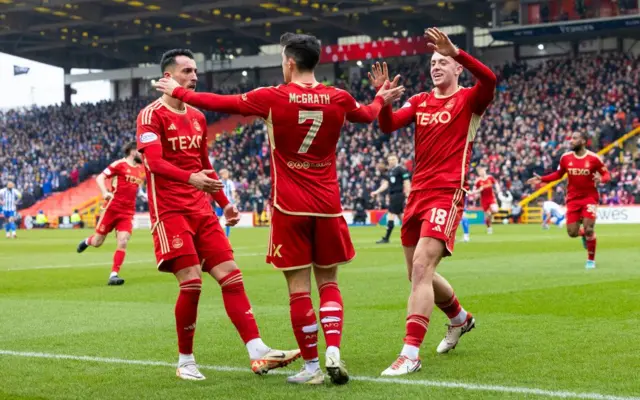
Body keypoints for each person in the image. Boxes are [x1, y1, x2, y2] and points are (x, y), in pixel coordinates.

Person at [153, 34, 405, 385]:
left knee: (298, 289)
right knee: (329, 282)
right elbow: (367, 115)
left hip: (290, 206)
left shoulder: (274, 97)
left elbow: (220, 102)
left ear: (289, 62)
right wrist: (380, 97)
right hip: (329, 204)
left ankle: (313, 367)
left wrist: (178, 92)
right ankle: (334, 347)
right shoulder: (338, 97)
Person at [139, 48, 300, 382]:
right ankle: (185, 360)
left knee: (232, 275)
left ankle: (257, 351)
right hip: (170, 211)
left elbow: (205, 165)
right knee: (192, 283)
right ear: (168, 77)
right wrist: (191, 179)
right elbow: (153, 163)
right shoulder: (150, 115)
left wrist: (224, 202)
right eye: (186, 72)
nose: (194, 77)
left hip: (202, 208)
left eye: (195, 71)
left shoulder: (197, 117)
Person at [373, 27, 497, 375]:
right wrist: (383, 102)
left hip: (447, 192)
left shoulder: (470, 100)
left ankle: (410, 353)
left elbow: (489, 79)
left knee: (421, 269)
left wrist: (457, 51)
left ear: (457, 67)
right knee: (416, 274)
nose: (436, 66)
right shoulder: (419, 101)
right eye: (433, 62)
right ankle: (459, 318)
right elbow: (388, 126)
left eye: (443, 61)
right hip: (417, 195)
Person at [527, 131, 609, 269]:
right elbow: (559, 174)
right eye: (571, 138)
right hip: (572, 199)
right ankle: (582, 235)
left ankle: (590, 260)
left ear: (583, 141)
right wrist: (542, 179)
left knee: (589, 228)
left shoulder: (594, 158)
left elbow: (606, 174)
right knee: (572, 232)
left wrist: (602, 179)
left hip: (589, 198)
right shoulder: (565, 158)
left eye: (575, 138)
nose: (571, 141)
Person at [77, 142, 145, 286]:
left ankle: (114, 274)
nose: (142, 154)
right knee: (97, 242)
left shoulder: (140, 170)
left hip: (127, 212)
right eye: (140, 151)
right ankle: (87, 241)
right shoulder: (119, 165)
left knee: (123, 241)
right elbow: (100, 178)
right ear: (132, 151)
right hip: (112, 209)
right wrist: (105, 193)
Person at [371, 154, 411, 244]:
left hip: (398, 195)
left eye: (393, 159)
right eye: (390, 159)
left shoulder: (401, 169)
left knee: (391, 214)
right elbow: (386, 184)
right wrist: (376, 192)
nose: (391, 161)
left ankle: (386, 238)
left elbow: (406, 182)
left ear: (397, 159)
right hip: (393, 195)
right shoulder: (390, 171)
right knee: (400, 216)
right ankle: (412, 234)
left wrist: (408, 194)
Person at [472, 166, 500, 234]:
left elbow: (496, 183)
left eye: (482, 171)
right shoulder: (478, 181)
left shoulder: (490, 177)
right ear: (479, 173)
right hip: (484, 200)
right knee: (487, 216)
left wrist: (498, 190)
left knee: (495, 210)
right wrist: (478, 191)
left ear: (484, 171)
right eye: (480, 172)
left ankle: (491, 215)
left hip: (491, 198)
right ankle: (489, 228)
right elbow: (474, 190)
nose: (482, 172)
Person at [214, 168, 236, 237]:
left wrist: (233, 202)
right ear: (222, 175)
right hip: (220, 203)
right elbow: (215, 192)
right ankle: (216, 233)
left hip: (227, 204)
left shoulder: (230, 182)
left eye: (227, 174)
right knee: (217, 218)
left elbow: (233, 192)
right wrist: (216, 201)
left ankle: (227, 235)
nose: (227, 175)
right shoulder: (218, 182)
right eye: (225, 174)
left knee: (228, 219)